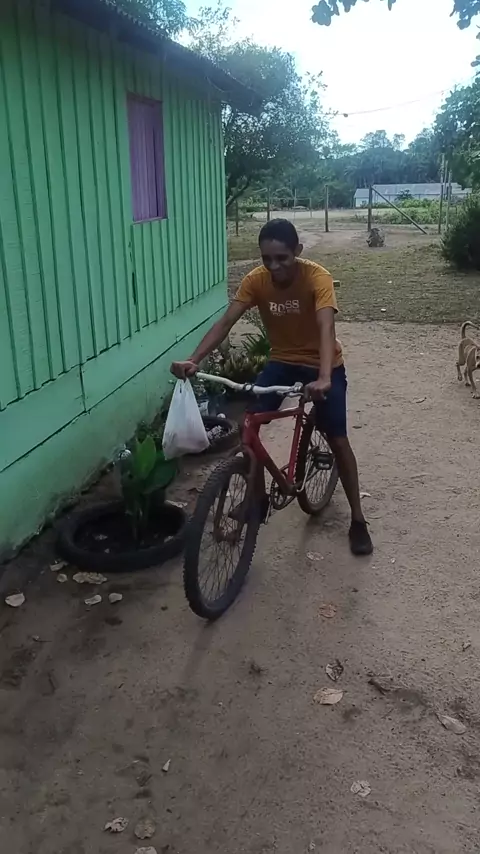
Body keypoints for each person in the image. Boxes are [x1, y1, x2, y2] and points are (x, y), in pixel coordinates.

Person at [170, 219, 373, 556]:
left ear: (298, 251)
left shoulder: (317, 277)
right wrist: (194, 359)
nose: (274, 266)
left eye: (282, 258)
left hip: (323, 363)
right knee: (249, 427)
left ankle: (358, 519)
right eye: (267, 259)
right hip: (282, 362)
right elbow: (226, 322)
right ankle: (259, 498)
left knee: (337, 438)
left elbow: (326, 328)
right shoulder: (256, 281)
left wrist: (324, 377)